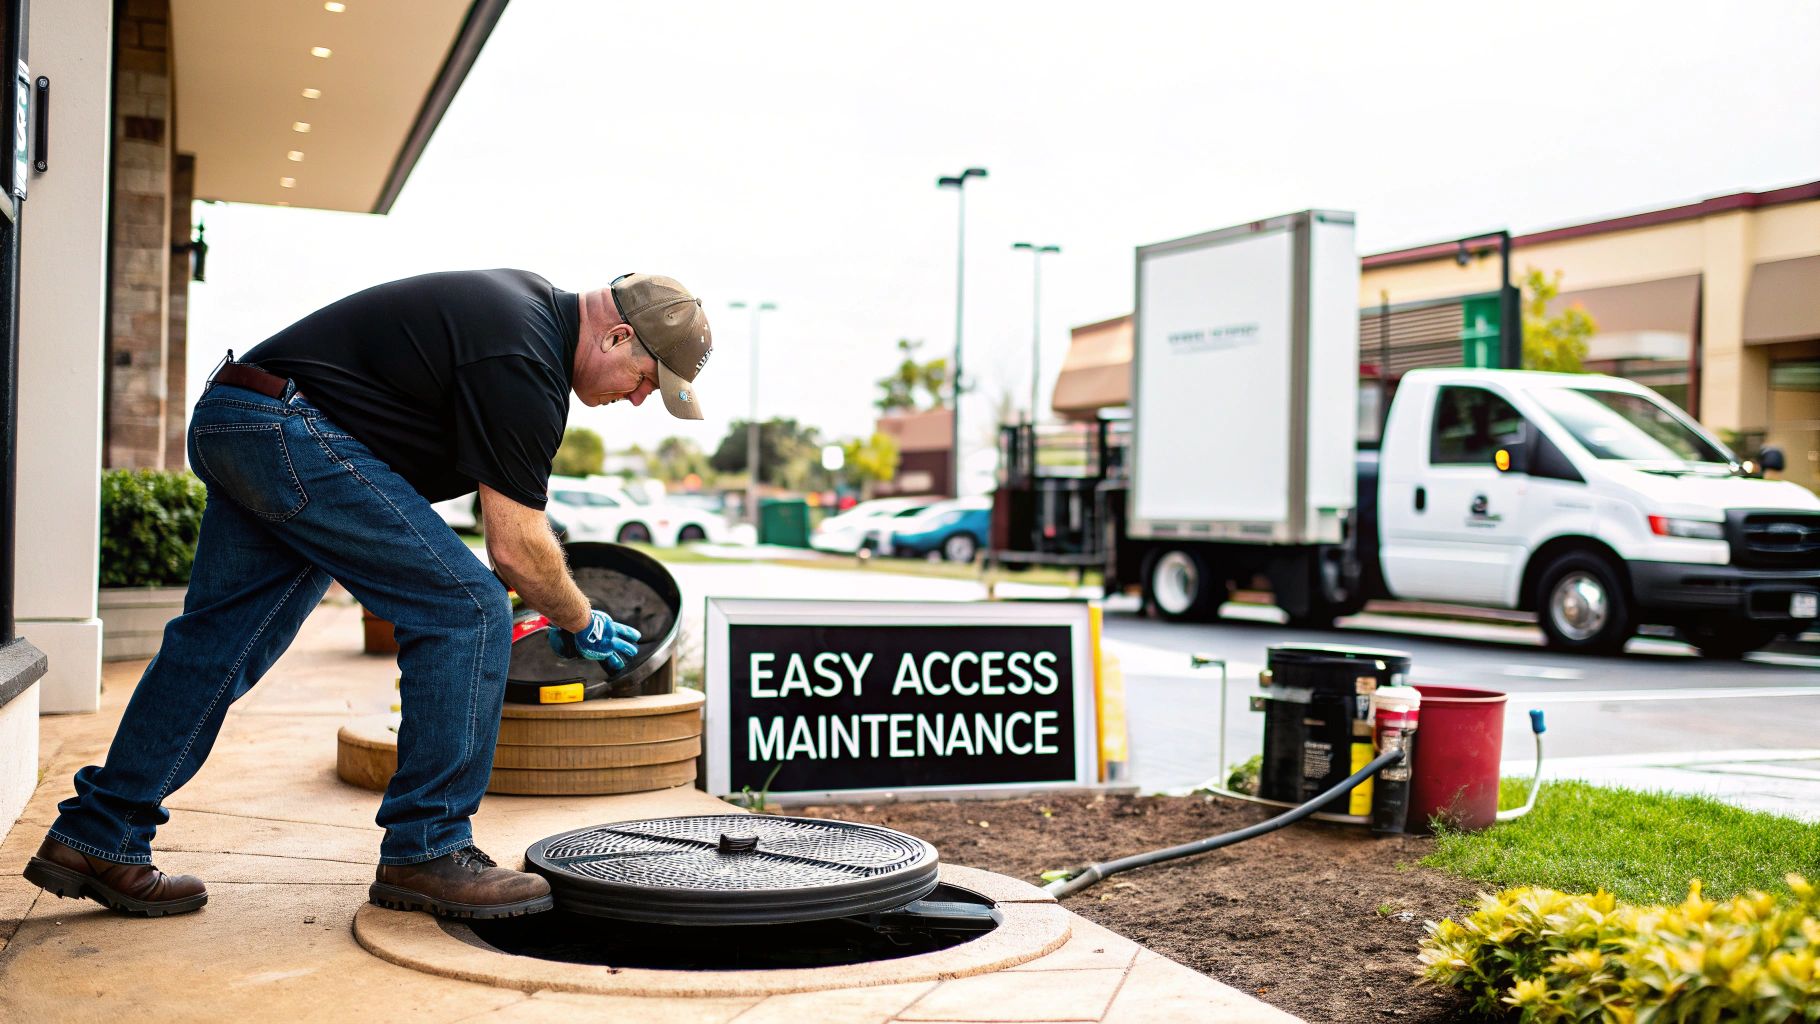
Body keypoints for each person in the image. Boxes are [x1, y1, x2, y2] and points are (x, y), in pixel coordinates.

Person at [22, 270, 713, 920]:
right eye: (645, 380)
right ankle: (428, 849)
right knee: (465, 610)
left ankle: (98, 834)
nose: (638, 398)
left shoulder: (523, 328)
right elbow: (513, 549)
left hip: (247, 416)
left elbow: (512, 522)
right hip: (285, 428)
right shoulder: (524, 357)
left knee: (219, 646)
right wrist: (578, 616)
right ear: (618, 336)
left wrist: (553, 592)